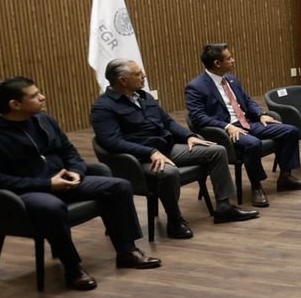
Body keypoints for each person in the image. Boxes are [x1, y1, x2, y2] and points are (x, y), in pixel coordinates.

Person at [0, 76, 159, 291]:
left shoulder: (44, 120)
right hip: (26, 192)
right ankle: (72, 268)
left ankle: (127, 251)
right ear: (15, 104)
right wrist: (47, 184)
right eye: (34, 96)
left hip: (65, 181)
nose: (43, 97)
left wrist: (76, 172)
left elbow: (69, 152)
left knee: (119, 186)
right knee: (51, 207)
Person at [89, 59, 256, 238]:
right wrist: (150, 152)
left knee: (217, 151)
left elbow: (168, 122)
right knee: (169, 173)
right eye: (138, 74)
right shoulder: (103, 107)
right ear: (122, 80)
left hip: (166, 148)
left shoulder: (144, 96)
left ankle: (224, 207)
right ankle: (174, 221)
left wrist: (188, 136)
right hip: (138, 159)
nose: (144, 76)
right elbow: (112, 142)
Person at [185, 43, 301, 207]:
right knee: (253, 144)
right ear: (217, 63)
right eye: (229, 58)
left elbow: (247, 101)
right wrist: (226, 126)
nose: (233, 60)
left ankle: (285, 178)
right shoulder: (196, 87)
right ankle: (256, 187)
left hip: (248, 123)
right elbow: (197, 117)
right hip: (226, 131)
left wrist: (261, 114)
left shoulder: (232, 79)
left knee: (290, 131)